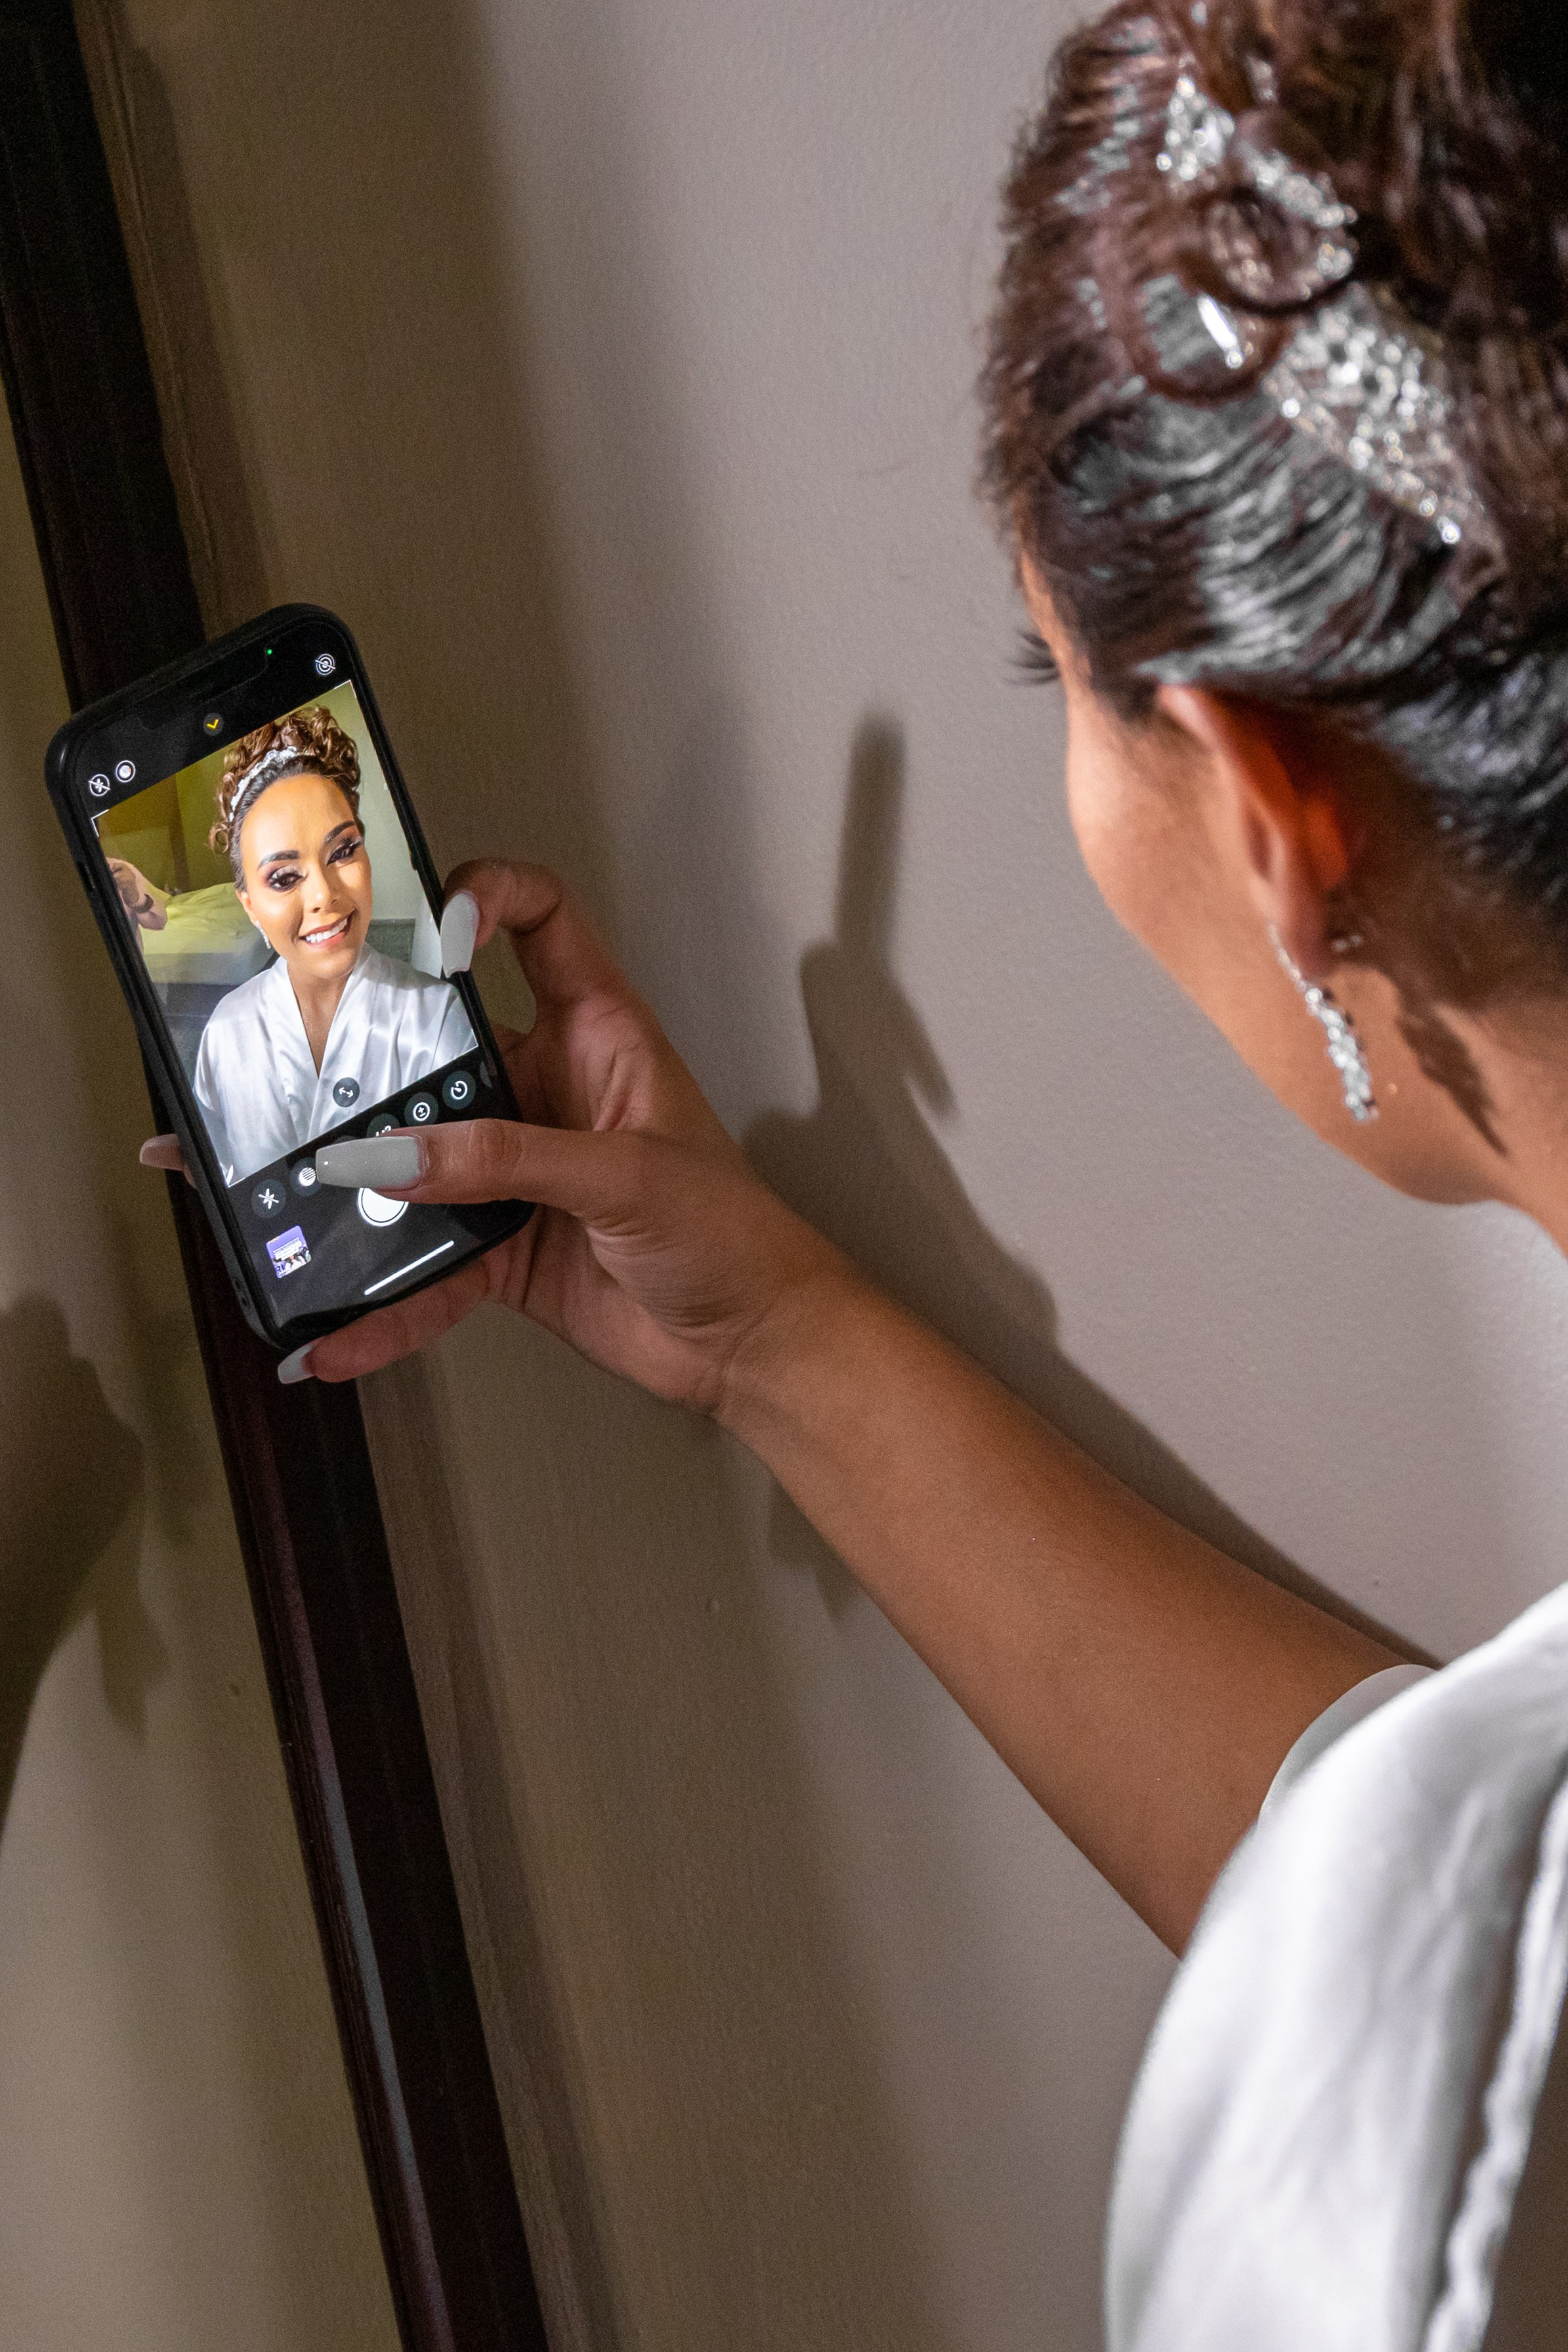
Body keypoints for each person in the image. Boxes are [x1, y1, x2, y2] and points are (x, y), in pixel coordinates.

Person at [143, 0, 1568, 2340]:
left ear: (1275, 806)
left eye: (1056, 685)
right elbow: (1450, 1902)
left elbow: (1465, 2009)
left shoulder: (1438, 2074)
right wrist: (786, 1339)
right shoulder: (1456, 1948)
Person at [192, 708, 475, 1184]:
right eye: (284, 878)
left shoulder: (437, 1019)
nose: (324, 894)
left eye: (343, 851)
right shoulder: (224, 1034)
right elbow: (225, 1177)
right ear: (250, 906)